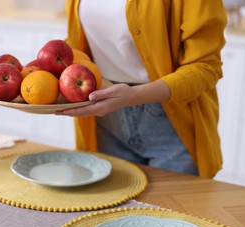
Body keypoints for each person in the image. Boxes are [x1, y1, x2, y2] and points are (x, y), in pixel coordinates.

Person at [57, 0, 228, 178]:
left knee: (168, 206)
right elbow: (85, 42)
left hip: (171, 125)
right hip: (105, 120)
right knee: (110, 204)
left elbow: (205, 67)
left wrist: (133, 96)